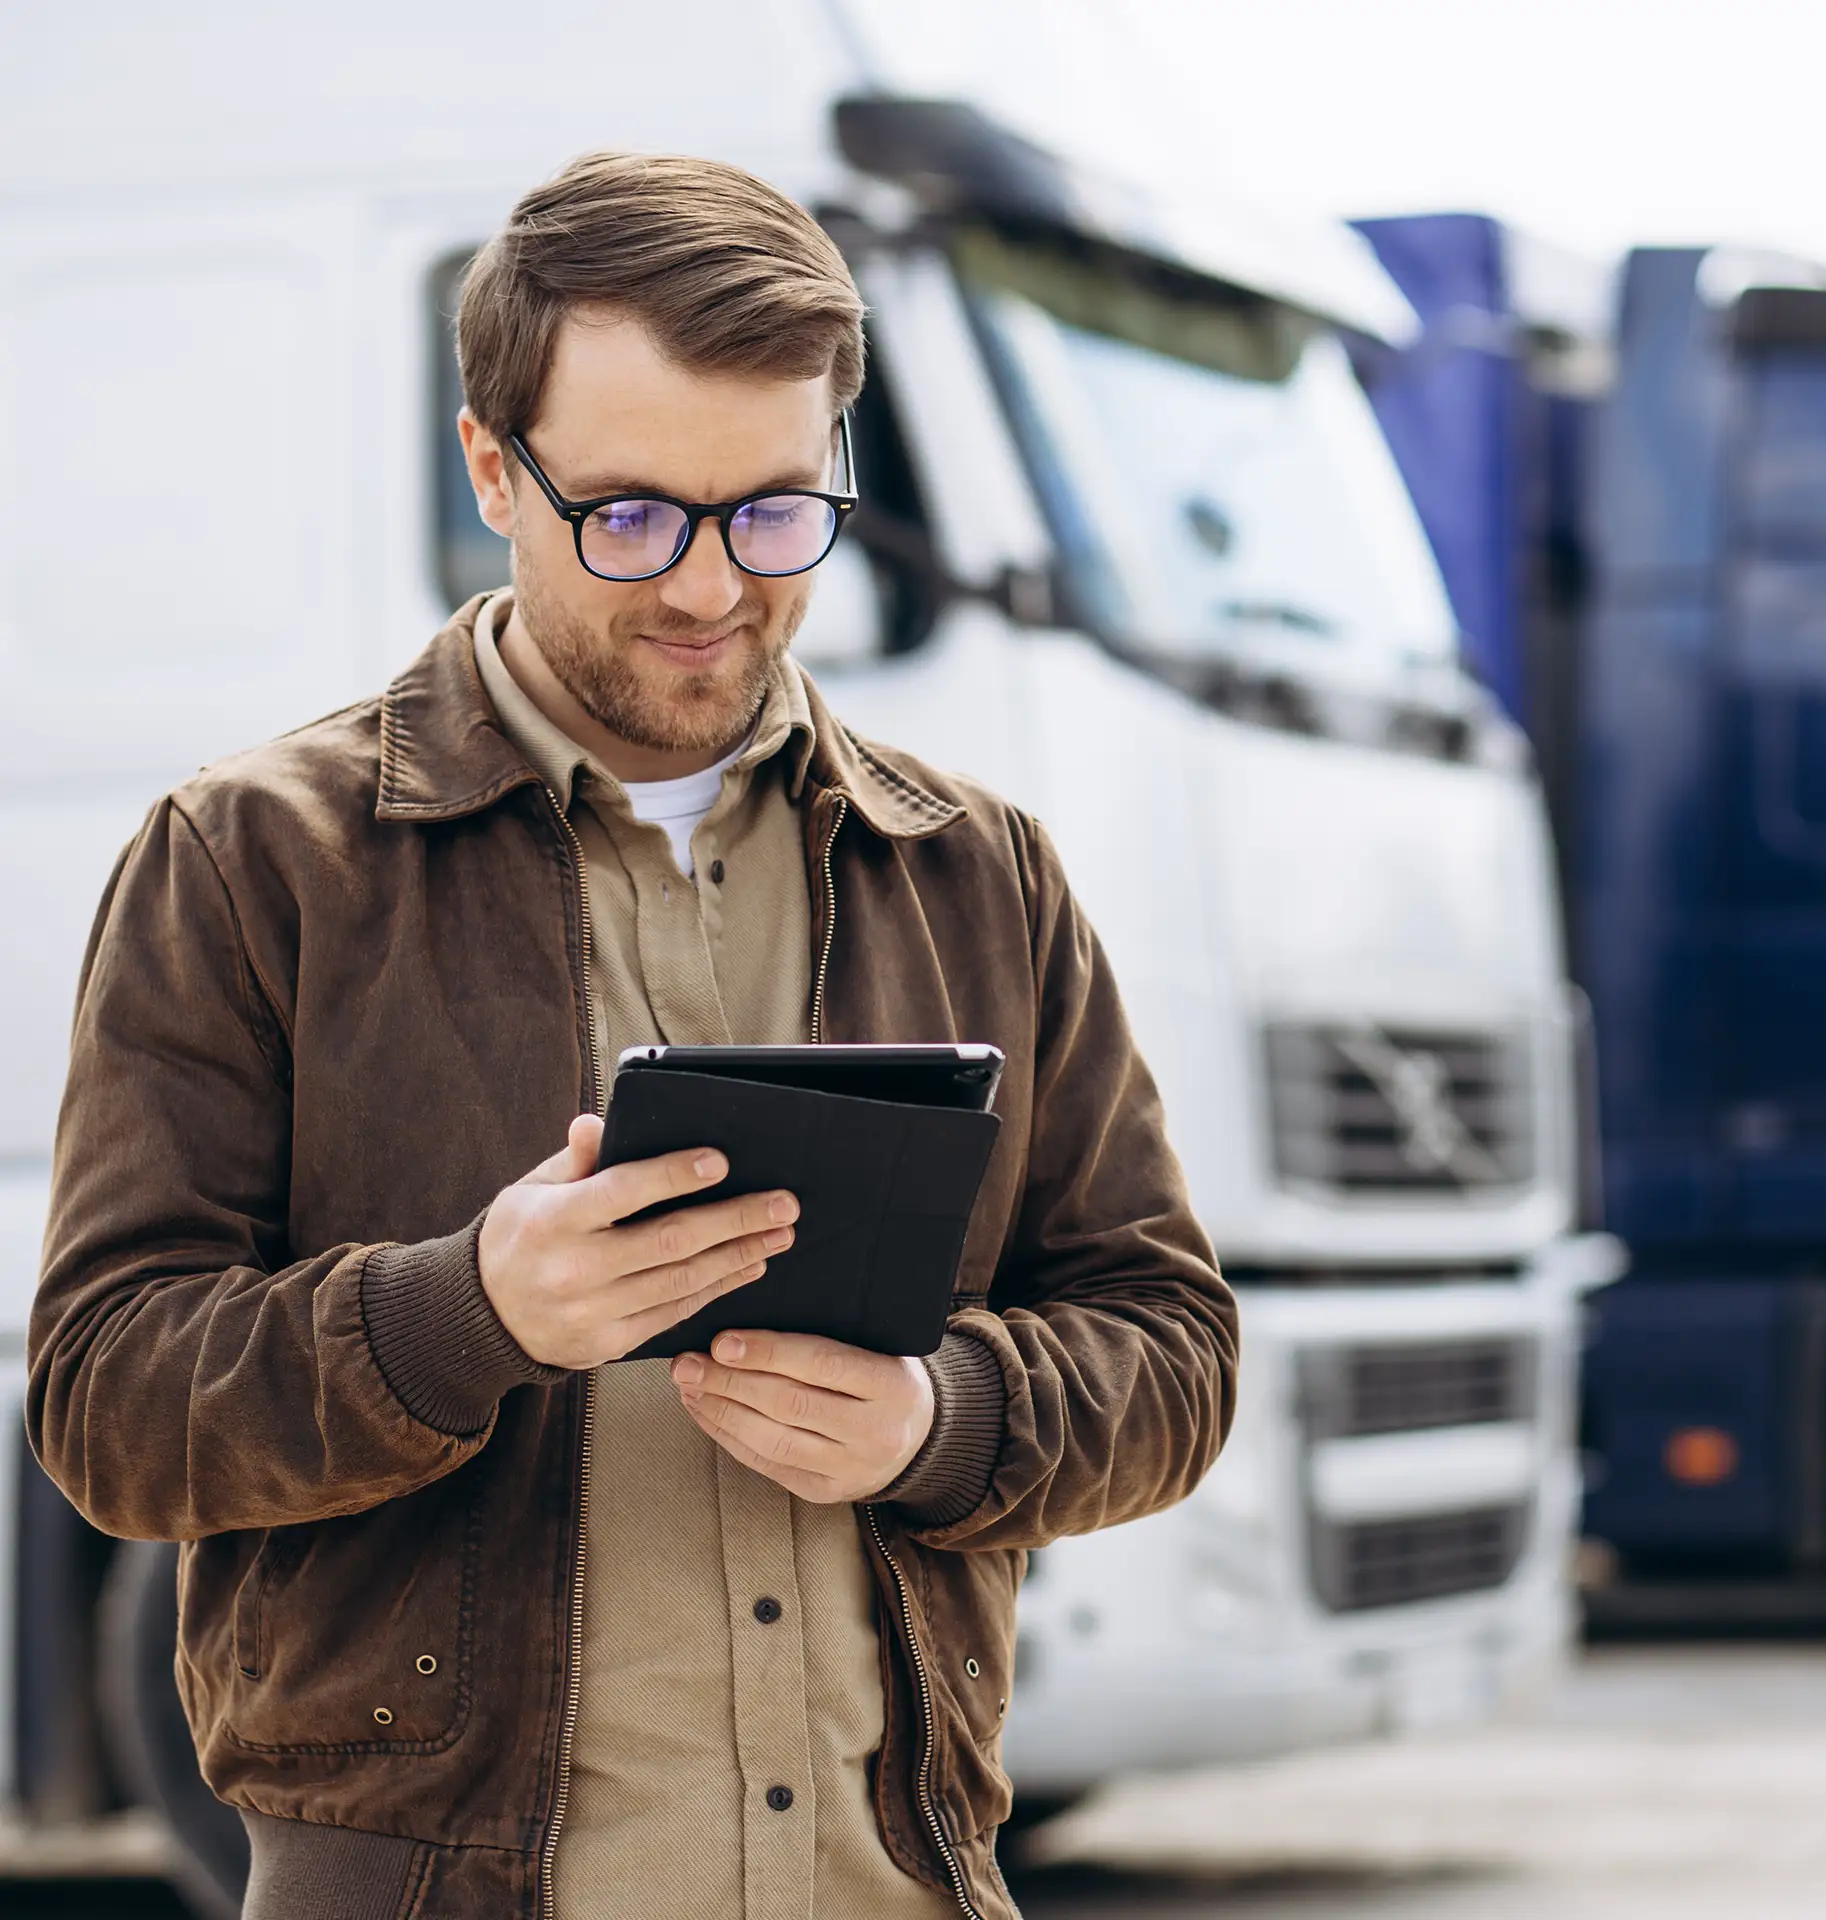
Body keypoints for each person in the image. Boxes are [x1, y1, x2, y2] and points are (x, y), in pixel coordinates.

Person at [28, 151, 1238, 1920]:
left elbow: (1174, 1347)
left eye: (772, 511)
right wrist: (467, 1317)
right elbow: (105, 1404)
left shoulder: (980, 876)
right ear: (492, 470)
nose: (706, 588)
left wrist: (939, 1419)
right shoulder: (250, 862)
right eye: (634, 517)